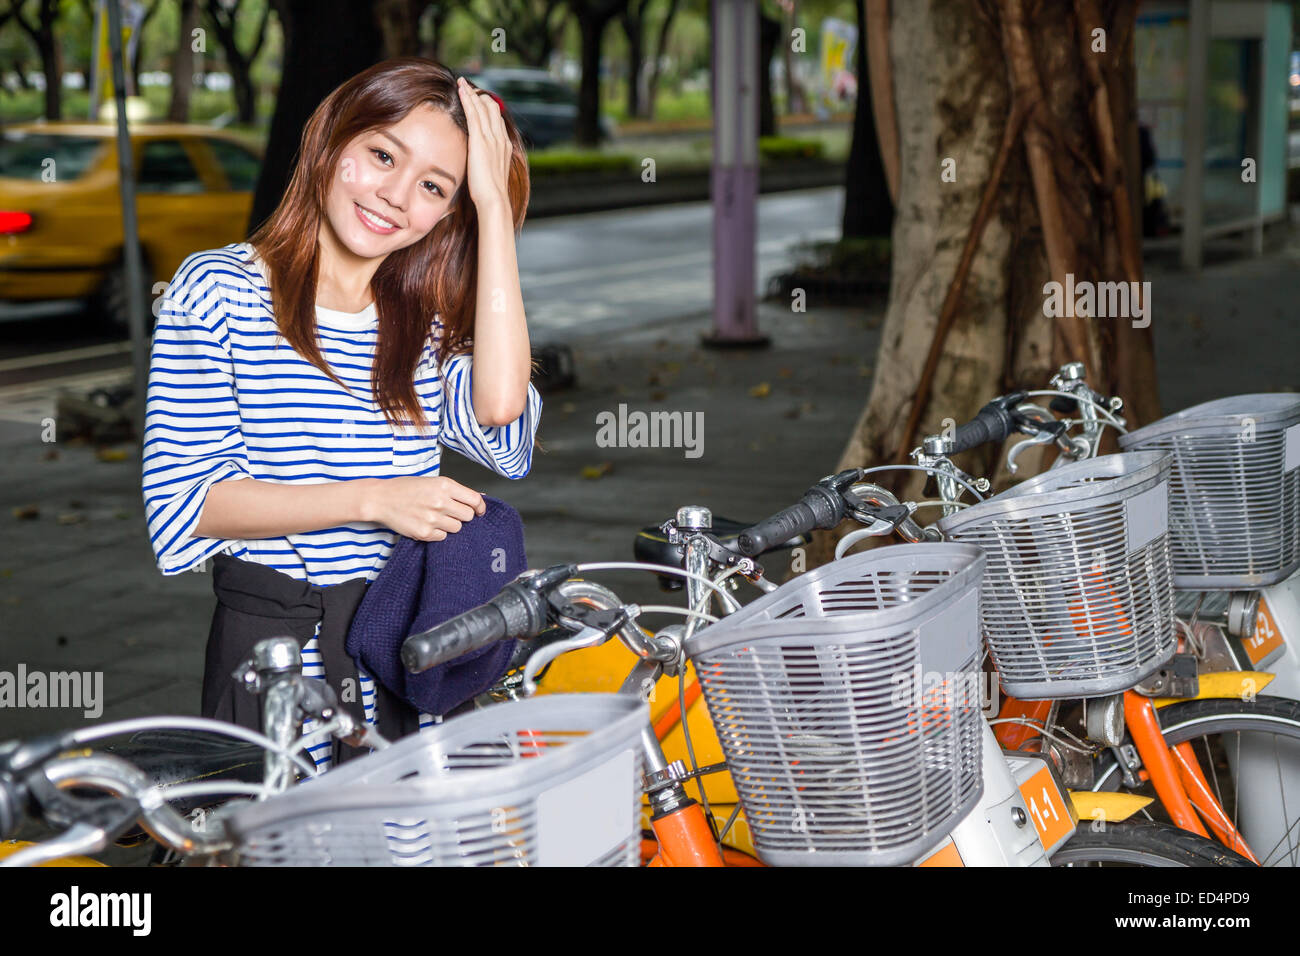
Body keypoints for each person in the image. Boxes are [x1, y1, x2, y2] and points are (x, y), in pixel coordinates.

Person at [140, 58, 541, 768]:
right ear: (332, 140)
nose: (393, 195)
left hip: (405, 642)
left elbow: (502, 410)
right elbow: (188, 504)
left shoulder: (423, 318)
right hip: (276, 662)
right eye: (382, 155)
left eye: (433, 188)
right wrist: (375, 501)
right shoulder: (218, 290)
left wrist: (493, 213)